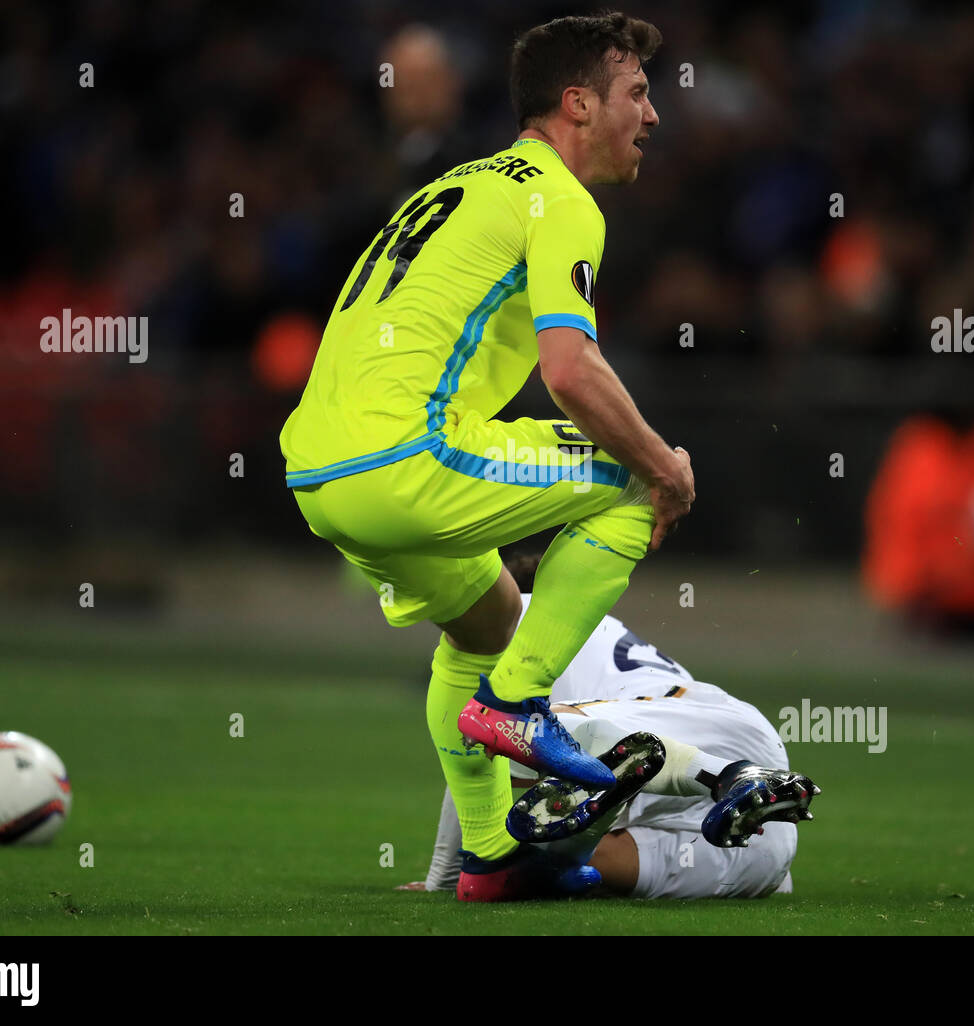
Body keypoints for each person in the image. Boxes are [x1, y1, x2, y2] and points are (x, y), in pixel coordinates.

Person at [280, 13, 694, 877]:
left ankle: (491, 852)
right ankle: (518, 703)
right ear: (579, 105)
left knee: (486, 624)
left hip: (318, 473)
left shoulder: (463, 182)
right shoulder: (561, 200)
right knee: (629, 481)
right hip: (406, 458)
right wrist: (665, 467)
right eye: (639, 94)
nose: (653, 115)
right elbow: (570, 373)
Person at [399, 555, 821, 901]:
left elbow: (472, 762)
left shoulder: (520, 615)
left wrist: (447, 876)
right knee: (538, 866)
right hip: (761, 825)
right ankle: (729, 781)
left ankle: (729, 777)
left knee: (503, 727)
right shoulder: (591, 625)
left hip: (674, 724)